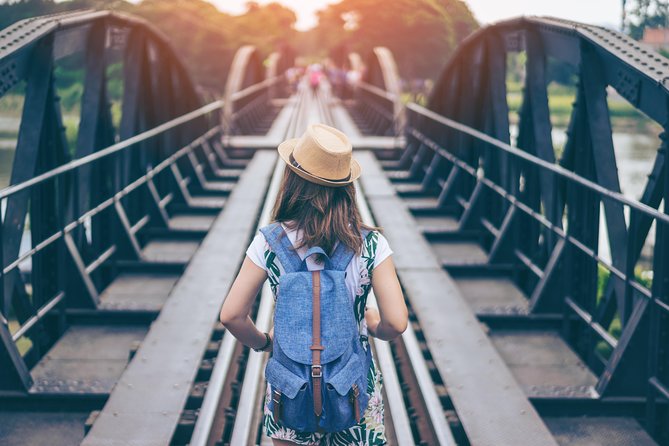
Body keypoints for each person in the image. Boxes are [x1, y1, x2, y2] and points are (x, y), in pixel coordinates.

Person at [219, 123, 408, 445]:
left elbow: (232, 315)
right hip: (352, 385)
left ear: (292, 179)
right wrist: (371, 322)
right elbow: (396, 322)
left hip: (290, 386)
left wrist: (265, 343)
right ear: (346, 186)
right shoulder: (371, 244)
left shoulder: (270, 241)